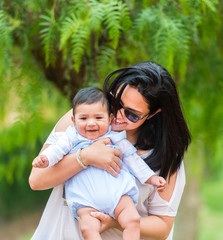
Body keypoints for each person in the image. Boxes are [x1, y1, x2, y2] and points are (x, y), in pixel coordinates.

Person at [29, 61, 191, 240]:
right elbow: (37, 180)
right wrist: (85, 157)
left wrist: (115, 222)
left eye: (131, 114)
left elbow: (162, 226)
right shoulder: (82, 120)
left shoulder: (164, 156)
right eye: (115, 102)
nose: (119, 115)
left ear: (152, 114)